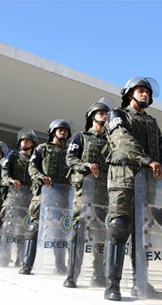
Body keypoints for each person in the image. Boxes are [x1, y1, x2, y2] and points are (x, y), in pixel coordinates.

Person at [103, 77, 162, 302]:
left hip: (147, 182)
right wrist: (147, 160)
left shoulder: (152, 122)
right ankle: (112, 284)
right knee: (119, 227)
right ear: (129, 93)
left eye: (147, 92)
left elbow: (161, 148)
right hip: (123, 177)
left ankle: (140, 283)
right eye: (140, 91)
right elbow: (122, 140)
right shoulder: (117, 115)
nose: (145, 95)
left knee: (143, 233)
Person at [62, 97, 113, 288]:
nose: (104, 116)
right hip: (84, 190)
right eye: (101, 113)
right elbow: (70, 158)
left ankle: (98, 274)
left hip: (104, 193)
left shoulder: (111, 139)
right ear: (92, 116)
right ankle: (72, 275)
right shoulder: (80, 137)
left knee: (100, 233)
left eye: (106, 113)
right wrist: (85, 166)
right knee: (78, 231)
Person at [20, 119, 72, 275]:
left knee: (62, 229)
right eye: (60, 129)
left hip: (63, 197)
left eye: (65, 130)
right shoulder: (42, 148)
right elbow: (32, 166)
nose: (63, 132)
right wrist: (40, 176)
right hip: (43, 194)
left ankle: (60, 265)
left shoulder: (70, 151)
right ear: (53, 131)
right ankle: (27, 264)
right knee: (34, 227)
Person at [1, 128, 37, 265]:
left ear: (32, 143)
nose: (24, 142)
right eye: (22, 140)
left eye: (27, 140)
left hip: (28, 198)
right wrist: (10, 180)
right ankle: (4, 255)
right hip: (13, 196)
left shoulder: (35, 159)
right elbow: (4, 172)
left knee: (24, 228)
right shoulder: (12, 156)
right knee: (8, 226)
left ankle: (20, 258)